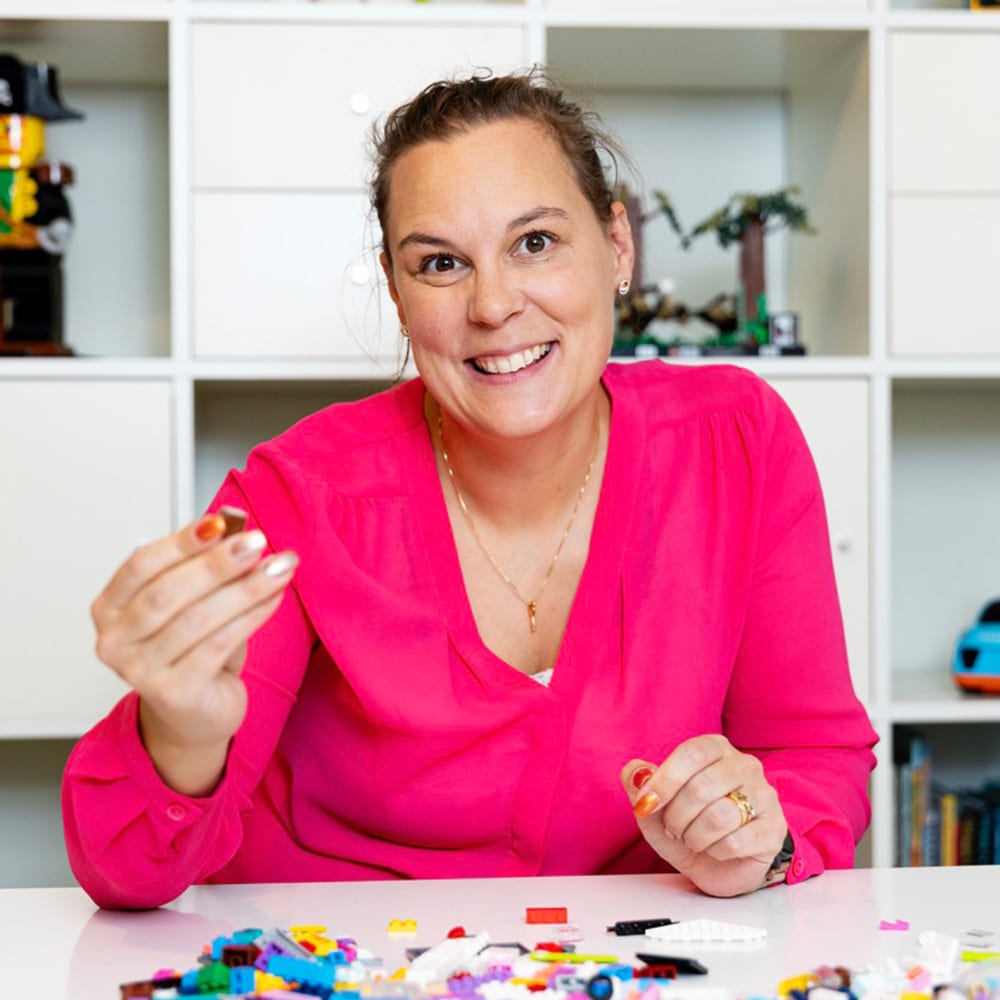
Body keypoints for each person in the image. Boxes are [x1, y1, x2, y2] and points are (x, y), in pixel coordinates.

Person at [62, 70, 878, 910]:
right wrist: (181, 730)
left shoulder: (737, 440)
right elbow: (128, 872)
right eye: (442, 263)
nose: (493, 305)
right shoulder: (294, 498)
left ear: (618, 247)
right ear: (397, 289)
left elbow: (815, 757)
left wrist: (761, 837)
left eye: (535, 243)